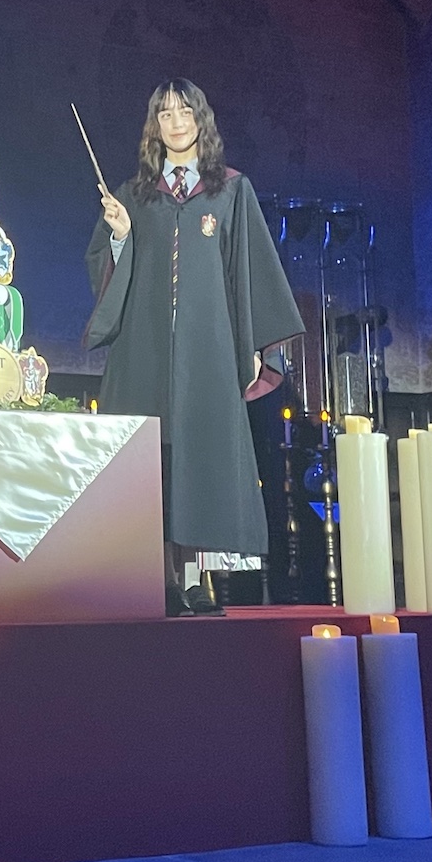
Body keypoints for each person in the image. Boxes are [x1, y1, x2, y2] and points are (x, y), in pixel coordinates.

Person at [84, 78, 303, 616]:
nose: (176, 122)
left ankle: (195, 579)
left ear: (201, 119)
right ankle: (156, 578)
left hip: (208, 352)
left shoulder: (230, 190)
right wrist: (120, 236)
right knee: (153, 460)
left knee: (200, 458)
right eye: (165, 113)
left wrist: (251, 345)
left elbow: (248, 269)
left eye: (185, 111)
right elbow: (107, 272)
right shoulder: (135, 195)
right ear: (154, 126)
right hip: (145, 351)